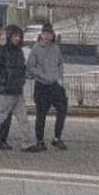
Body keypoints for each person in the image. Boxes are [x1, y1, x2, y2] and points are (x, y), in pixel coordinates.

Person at [25, 23, 69, 151]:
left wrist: (59, 77)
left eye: (49, 34)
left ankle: (57, 138)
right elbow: (30, 66)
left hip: (55, 85)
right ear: (41, 35)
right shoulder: (36, 49)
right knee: (41, 114)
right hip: (42, 85)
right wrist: (41, 74)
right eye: (45, 33)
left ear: (52, 35)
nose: (47, 36)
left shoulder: (56, 48)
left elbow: (60, 63)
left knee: (62, 109)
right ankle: (40, 140)